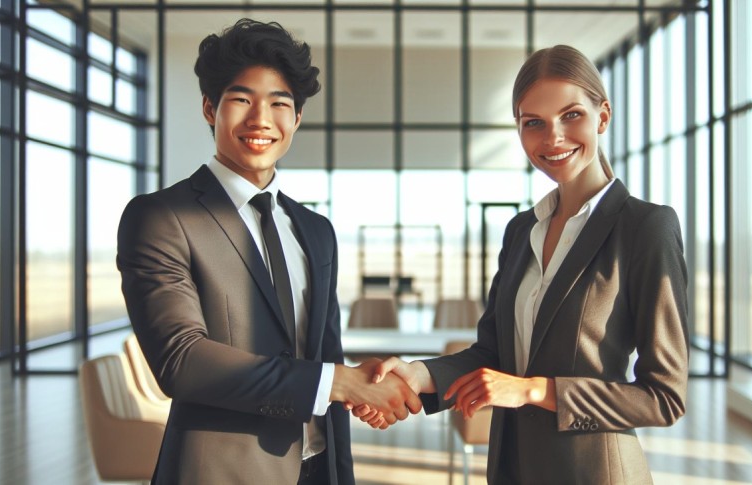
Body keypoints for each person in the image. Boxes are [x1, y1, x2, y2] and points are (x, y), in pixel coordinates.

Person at [358, 45, 688, 484]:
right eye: (534, 123)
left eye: (571, 115)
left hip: (594, 472)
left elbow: (663, 397)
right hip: (511, 468)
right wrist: (417, 374)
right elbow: (493, 355)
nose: (553, 138)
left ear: (602, 116)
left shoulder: (645, 227)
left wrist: (533, 389)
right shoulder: (521, 231)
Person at [117, 18, 420, 485]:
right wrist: (341, 382)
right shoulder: (162, 217)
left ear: (296, 118)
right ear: (209, 108)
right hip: (220, 473)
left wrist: (361, 392)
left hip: (319, 467)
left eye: (279, 103)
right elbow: (181, 360)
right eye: (241, 100)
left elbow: (326, 355)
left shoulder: (315, 230)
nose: (261, 119)